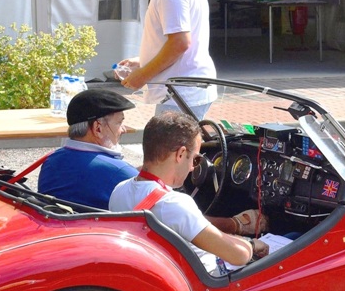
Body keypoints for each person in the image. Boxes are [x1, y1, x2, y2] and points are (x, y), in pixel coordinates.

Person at [110, 112, 268, 275]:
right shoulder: (173, 204)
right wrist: (252, 244)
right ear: (180, 154)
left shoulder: (119, 190)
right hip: (207, 282)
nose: (193, 167)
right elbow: (239, 255)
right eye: (195, 159)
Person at [116, 0, 218, 120]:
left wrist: (143, 74)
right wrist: (143, 60)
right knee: (181, 149)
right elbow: (182, 41)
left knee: (167, 150)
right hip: (185, 92)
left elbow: (180, 43)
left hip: (180, 94)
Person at [37, 89, 138, 209]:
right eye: (119, 123)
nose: (123, 130)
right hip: (97, 227)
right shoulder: (120, 172)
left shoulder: (51, 161)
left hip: (54, 225)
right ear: (98, 128)